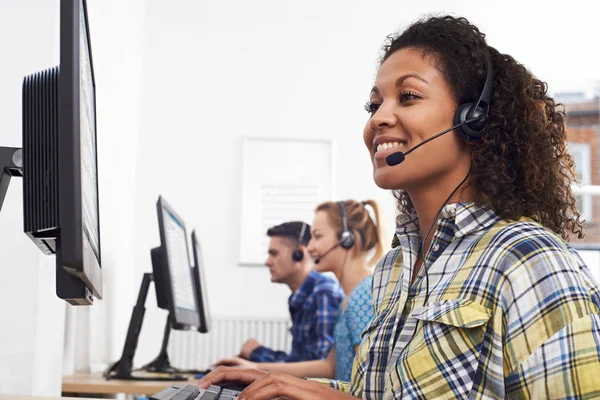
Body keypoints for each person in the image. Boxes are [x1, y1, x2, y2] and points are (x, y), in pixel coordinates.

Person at [198, 15, 600, 399]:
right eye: (374, 106)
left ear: (473, 118)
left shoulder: (529, 261)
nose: (379, 119)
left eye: (407, 97)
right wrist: (272, 385)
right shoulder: (395, 268)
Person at [215, 199, 384, 381]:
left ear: (347, 239)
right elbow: (328, 367)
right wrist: (255, 368)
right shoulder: (348, 298)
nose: (309, 247)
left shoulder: (363, 296)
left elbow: (370, 383)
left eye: (317, 236)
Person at [234, 221, 344, 364]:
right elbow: (299, 362)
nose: (267, 262)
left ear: (299, 254)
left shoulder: (324, 294)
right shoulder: (301, 297)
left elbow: (318, 368)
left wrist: (257, 353)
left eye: (273, 254)